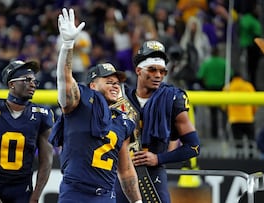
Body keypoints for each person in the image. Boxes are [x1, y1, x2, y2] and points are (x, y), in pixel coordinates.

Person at [49, 8, 142, 203]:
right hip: (75, 193)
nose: (115, 84)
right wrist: (67, 45)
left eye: (117, 82)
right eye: (108, 80)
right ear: (92, 85)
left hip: (105, 196)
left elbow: (125, 170)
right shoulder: (80, 103)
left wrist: (137, 201)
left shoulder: (122, 121)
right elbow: (65, 81)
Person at [114, 40, 201, 203]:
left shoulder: (172, 99)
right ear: (138, 70)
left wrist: (158, 159)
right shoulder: (118, 97)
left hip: (153, 177)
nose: (158, 75)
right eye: (152, 69)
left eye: (162, 71)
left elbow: (194, 147)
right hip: (120, 176)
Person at [0, 60, 54, 203]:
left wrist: (36, 195)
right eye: (27, 79)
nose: (33, 84)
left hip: (22, 192)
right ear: (11, 84)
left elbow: (46, 161)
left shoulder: (41, 114)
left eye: (34, 80)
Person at [222, 71, 257, 158]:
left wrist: (228, 111)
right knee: (251, 140)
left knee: (238, 141)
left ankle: (239, 156)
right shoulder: (248, 86)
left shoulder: (228, 87)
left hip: (235, 119)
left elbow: (223, 105)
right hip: (248, 118)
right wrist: (252, 113)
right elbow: (255, 103)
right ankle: (251, 156)